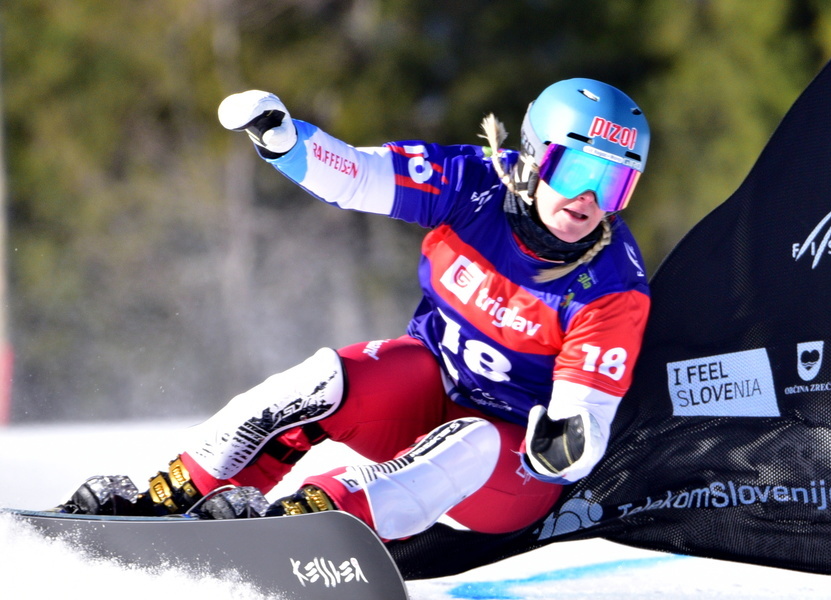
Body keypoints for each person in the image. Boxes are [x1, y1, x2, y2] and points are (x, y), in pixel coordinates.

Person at [58, 78, 652, 541]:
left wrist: (566, 441)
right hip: (428, 393)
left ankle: (313, 517)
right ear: (534, 156)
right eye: (579, 170)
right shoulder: (474, 183)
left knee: (472, 439)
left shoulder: (612, 285)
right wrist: (287, 142)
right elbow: (360, 176)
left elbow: (585, 423)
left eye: (615, 184)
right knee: (322, 381)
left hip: (507, 470)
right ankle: (173, 497)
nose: (589, 200)